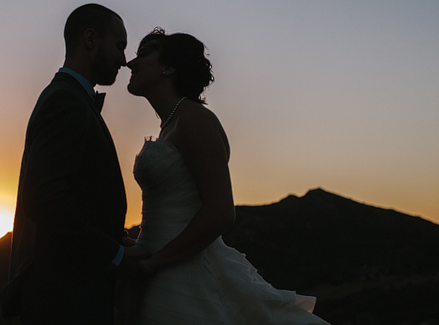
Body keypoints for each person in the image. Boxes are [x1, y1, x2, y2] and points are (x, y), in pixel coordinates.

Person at [118, 28, 329, 325]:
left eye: (143, 54)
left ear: (168, 67)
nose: (131, 63)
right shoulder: (172, 124)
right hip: (156, 266)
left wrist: (155, 263)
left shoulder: (195, 120)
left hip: (181, 271)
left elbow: (219, 212)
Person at [1, 4, 149, 325]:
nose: (123, 60)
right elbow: (44, 198)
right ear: (91, 39)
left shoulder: (73, 99)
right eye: (120, 45)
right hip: (65, 300)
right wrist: (115, 256)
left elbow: (80, 197)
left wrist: (116, 238)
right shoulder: (65, 100)